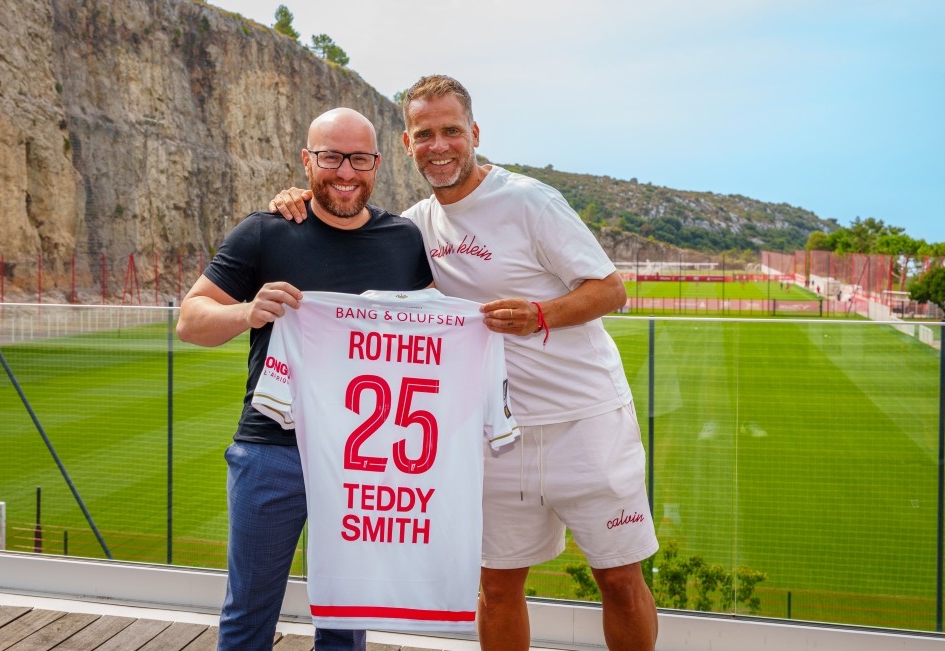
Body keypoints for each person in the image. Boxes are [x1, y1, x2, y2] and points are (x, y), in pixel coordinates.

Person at [270, 75, 659, 651]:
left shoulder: (530, 201)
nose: (440, 145)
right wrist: (299, 200)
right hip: (495, 437)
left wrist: (540, 315)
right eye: (425, 134)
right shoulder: (413, 226)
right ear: (407, 144)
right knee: (497, 588)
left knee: (621, 581)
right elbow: (347, 229)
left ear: (474, 133)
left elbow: (611, 289)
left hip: (586, 422)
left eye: (451, 130)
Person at [178, 107, 433, 651]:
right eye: (331, 157)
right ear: (307, 160)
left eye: (358, 159)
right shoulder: (264, 232)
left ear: (378, 164)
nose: (345, 172)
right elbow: (190, 320)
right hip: (273, 450)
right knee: (249, 614)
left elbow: (434, 331)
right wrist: (247, 311)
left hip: (364, 458)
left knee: (346, 621)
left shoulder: (404, 240)